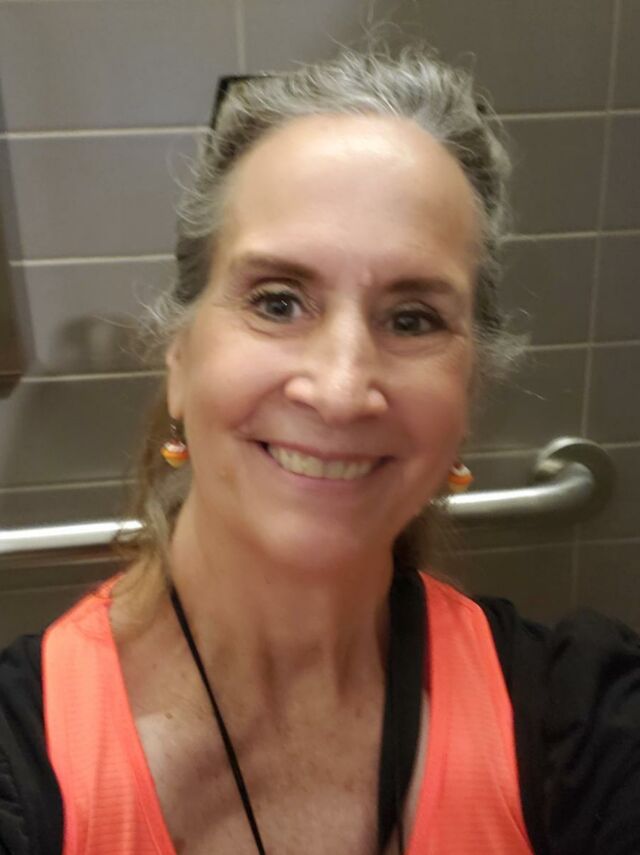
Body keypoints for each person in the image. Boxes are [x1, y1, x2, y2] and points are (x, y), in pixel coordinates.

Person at [0, 47, 639, 855]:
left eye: (412, 318)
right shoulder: (22, 765)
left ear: (469, 391)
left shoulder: (584, 726)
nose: (340, 389)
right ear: (179, 358)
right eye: (277, 301)